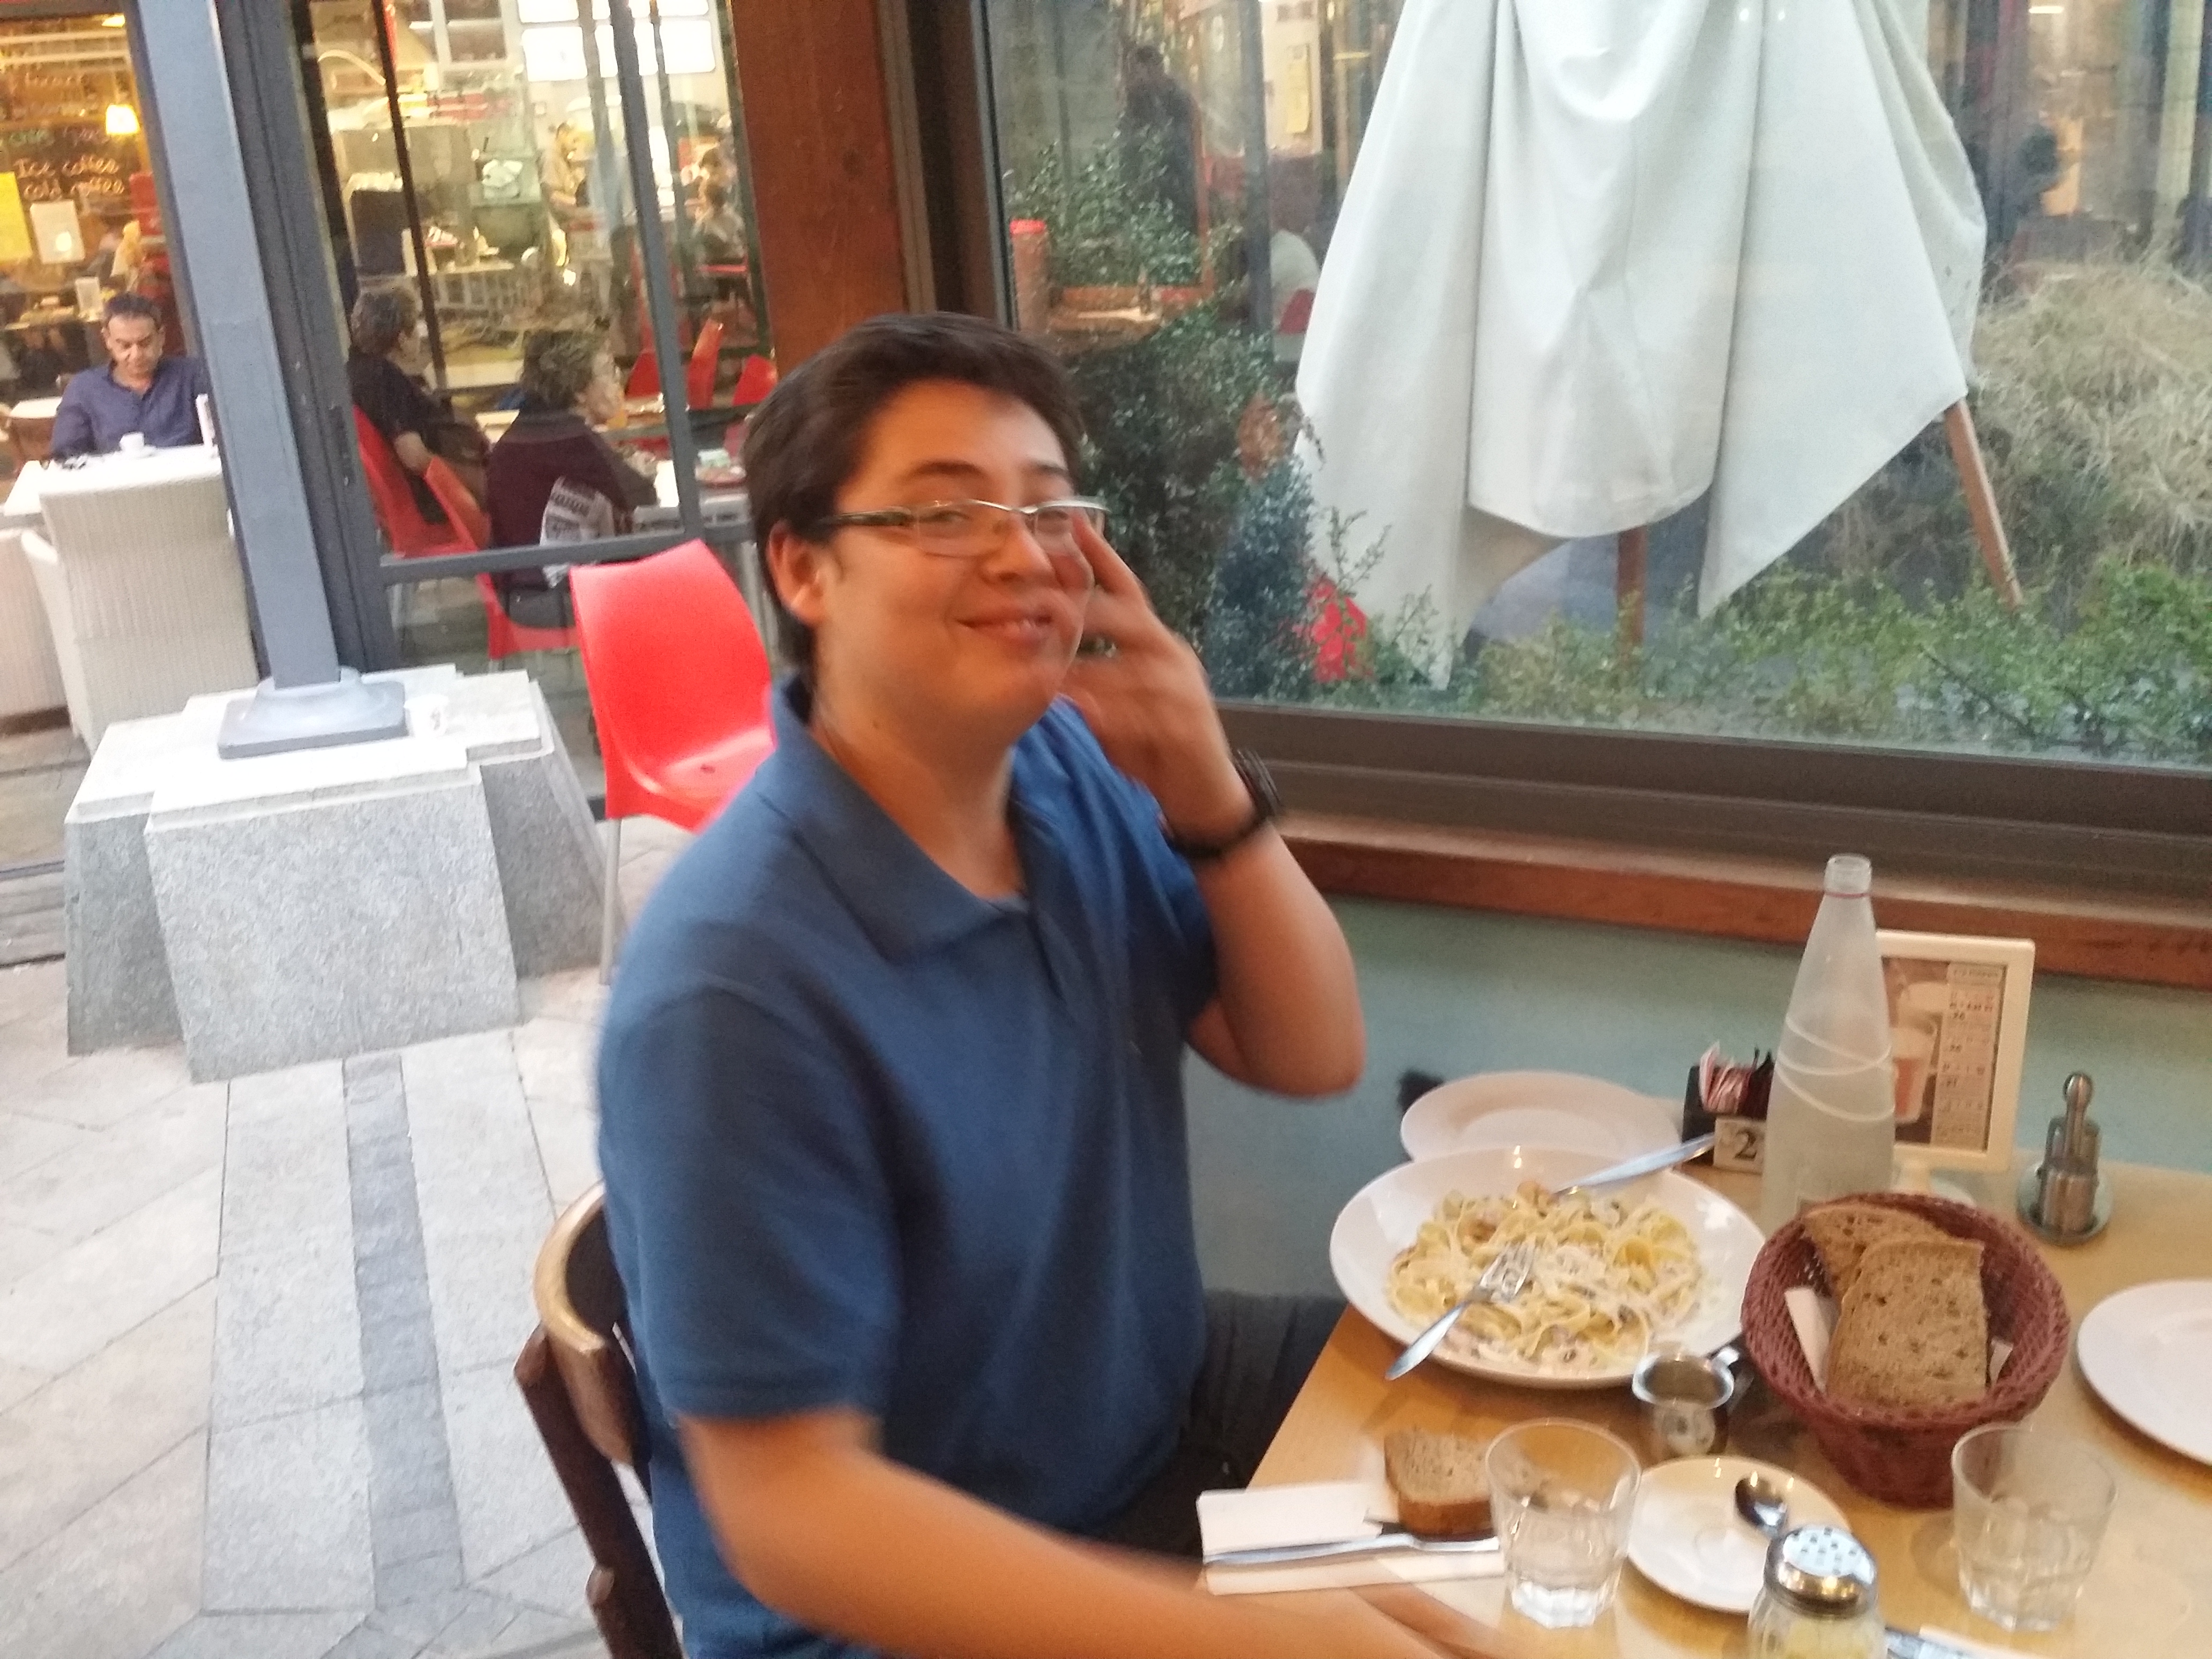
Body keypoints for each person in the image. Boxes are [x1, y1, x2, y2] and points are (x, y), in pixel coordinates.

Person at [596, 313, 1464, 1659]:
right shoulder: (731, 990)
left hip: (1147, 1413)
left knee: (1531, 1437)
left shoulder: (1057, 774)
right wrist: (1259, 1638)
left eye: (1049, 508)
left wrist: (1207, 785)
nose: (1021, 552)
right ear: (803, 568)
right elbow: (789, 1514)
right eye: (945, 511)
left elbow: (1307, 1051)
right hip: (909, 1602)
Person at [483, 327, 654, 617]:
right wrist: (637, 471)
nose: (618, 379)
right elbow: (644, 499)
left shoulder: (531, 428)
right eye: (608, 371)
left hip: (517, 591)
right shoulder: (573, 440)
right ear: (579, 390)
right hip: (552, 600)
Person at [346, 283, 487, 519]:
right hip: (439, 504)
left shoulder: (356, 372)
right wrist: (477, 481)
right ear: (402, 338)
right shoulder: (387, 380)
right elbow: (414, 456)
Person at [48, 293, 211, 460]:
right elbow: (66, 454)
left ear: (161, 337)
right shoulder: (84, 389)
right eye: (125, 346)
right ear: (108, 340)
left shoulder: (193, 376)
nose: (136, 355)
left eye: (145, 343)